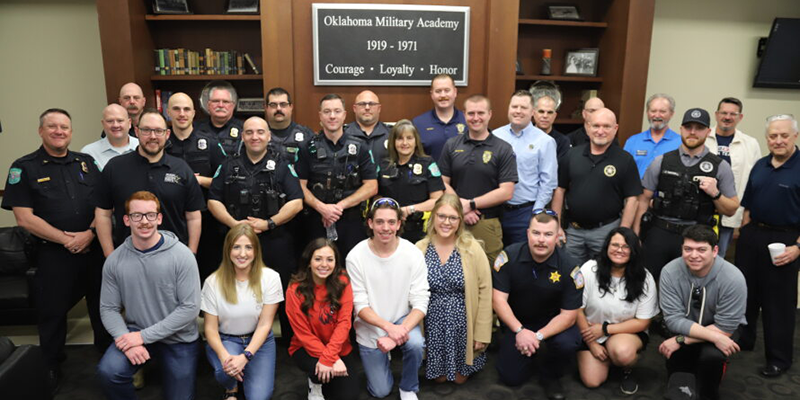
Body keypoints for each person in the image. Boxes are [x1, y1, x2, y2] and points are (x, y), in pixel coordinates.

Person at [2, 108, 111, 393]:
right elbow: (24, 217)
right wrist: (66, 240)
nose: (59, 131)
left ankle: (108, 359)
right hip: (54, 254)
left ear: (71, 132)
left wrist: (88, 234)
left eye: (64, 127)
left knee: (102, 309)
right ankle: (50, 365)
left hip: (92, 247)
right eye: (52, 127)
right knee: (52, 314)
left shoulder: (86, 163)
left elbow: (103, 204)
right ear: (41, 131)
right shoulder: (24, 167)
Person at [96, 191, 201, 399]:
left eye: (150, 215)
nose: (144, 221)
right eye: (136, 215)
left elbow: (190, 308)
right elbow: (108, 308)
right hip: (137, 330)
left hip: (178, 337)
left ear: (159, 218)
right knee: (109, 372)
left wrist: (142, 337)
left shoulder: (182, 256)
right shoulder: (115, 261)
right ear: (126, 220)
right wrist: (124, 339)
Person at [208, 116, 304, 342]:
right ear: (242, 136)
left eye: (260, 132)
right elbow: (213, 199)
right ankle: (234, 338)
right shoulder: (228, 165)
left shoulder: (282, 166)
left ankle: (289, 346)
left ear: (268, 136)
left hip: (273, 239)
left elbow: (297, 202)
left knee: (281, 291)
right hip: (236, 241)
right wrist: (235, 225)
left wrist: (269, 222)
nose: (255, 137)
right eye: (249, 132)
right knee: (236, 290)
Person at [634, 108, 739, 284]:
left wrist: (715, 194)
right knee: (648, 284)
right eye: (688, 127)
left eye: (699, 128)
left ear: (708, 131)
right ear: (681, 129)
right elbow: (643, 199)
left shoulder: (720, 166)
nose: (692, 132)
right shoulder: (661, 161)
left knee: (691, 288)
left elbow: (731, 209)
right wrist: (636, 234)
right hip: (659, 233)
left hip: (696, 238)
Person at [493, 209, 583, 400]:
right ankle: (529, 353)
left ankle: (550, 374)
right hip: (518, 323)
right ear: (528, 233)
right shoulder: (509, 257)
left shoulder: (570, 267)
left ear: (558, 236)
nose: (541, 240)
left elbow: (569, 316)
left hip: (554, 325)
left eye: (548, 234)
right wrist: (520, 331)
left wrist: (537, 336)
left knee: (567, 343)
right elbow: (498, 300)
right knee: (511, 377)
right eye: (536, 233)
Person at [735, 114, 799, 377]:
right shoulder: (760, 165)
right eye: (773, 136)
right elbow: (748, 204)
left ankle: (778, 359)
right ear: (767, 138)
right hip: (753, 236)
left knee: (778, 303)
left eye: (784, 135)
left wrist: (797, 247)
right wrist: (745, 232)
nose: (778, 140)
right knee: (745, 293)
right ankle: (745, 339)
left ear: (794, 136)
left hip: (787, 240)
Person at [346, 198, 429, 400]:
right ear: (370, 223)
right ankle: (383, 360)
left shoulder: (412, 253)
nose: (386, 228)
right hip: (370, 325)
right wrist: (388, 329)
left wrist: (394, 334)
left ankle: (408, 387)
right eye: (380, 222)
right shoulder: (355, 256)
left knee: (417, 344)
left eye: (391, 222)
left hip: (401, 320)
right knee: (380, 391)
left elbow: (420, 301)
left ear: (399, 224)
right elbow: (360, 306)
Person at [94, 109, 205, 256]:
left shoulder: (182, 169)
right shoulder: (115, 167)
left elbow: (194, 216)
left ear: (167, 134)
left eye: (158, 131)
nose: (153, 136)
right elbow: (103, 214)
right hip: (128, 257)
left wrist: (191, 254)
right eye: (146, 130)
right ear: (137, 131)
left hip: (174, 258)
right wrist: (110, 256)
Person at [658, 225, 746, 400]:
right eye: (688, 249)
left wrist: (681, 340)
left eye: (701, 250)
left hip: (722, 330)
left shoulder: (733, 278)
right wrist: (682, 338)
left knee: (710, 358)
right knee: (678, 367)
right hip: (687, 327)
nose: (694, 255)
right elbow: (673, 320)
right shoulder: (669, 271)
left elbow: (726, 327)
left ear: (714, 251)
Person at [415, 194, 492, 383]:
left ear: (460, 220)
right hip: (432, 324)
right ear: (433, 217)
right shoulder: (420, 249)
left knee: (459, 380)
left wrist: (481, 333)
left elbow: (485, 290)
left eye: (453, 218)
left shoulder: (472, 248)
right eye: (441, 216)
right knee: (438, 380)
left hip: (464, 323)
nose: (446, 222)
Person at [202, 223, 282, 400]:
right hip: (226, 339)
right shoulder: (212, 282)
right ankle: (231, 389)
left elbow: (265, 324)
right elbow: (210, 329)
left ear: (256, 251)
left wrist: (245, 357)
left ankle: (240, 377)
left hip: (259, 341)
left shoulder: (271, 278)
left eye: (248, 247)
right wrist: (225, 358)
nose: (242, 253)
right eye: (236, 247)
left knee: (260, 397)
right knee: (226, 372)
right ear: (228, 250)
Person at [552, 108, 641, 264]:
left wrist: (621, 234)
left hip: (606, 232)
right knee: (571, 276)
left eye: (606, 126)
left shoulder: (625, 159)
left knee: (603, 277)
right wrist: (556, 226)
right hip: (573, 232)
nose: (601, 131)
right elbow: (559, 190)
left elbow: (632, 199)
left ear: (615, 129)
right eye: (596, 126)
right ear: (588, 128)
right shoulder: (572, 155)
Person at [576, 227, 658, 395]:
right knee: (592, 381)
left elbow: (643, 322)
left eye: (626, 246)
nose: (619, 250)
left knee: (622, 353)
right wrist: (592, 344)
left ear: (634, 251)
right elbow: (577, 309)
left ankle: (626, 367)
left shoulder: (645, 277)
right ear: (606, 247)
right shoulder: (589, 269)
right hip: (590, 331)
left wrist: (605, 329)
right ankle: (606, 359)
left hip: (626, 333)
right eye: (615, 245)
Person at [439, 94, 518, 266]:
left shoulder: (502, 148)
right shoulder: (452, 145)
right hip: (453, 221)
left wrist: (472, 204)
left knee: (488, 274)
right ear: (464, 115)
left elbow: (507, 191)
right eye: (471, 113)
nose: (476, 118)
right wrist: (462, 208)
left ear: (490, 114)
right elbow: (442, 183)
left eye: (481, 113)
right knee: (453, 271)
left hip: (487, 223)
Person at [296, 94, 378, 257]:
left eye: (336, 111)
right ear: (320, 115)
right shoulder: (308, 148)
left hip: (350, 221)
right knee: (317, 268)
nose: (332, 116)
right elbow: (299, 185)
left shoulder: (360, 147)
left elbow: (372, 186)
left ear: (344, 115)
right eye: (327, 112)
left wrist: (339, 207)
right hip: (316, 220)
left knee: (352, 268)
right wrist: (322, 208)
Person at [287, 239, 360, 400]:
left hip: (338, 347)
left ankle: (324, 377)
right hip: (305, 349)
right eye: (318, 259)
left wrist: (330, 357)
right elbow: (303, 334)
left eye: (329, 259)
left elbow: (344, 323)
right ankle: (315, 384)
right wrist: (331, 359)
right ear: (309, 262)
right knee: (319, 371)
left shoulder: (343, 281)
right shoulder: (295, 290)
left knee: (350, 396)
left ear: (336, 262)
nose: (324, 264)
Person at [165, 92, 227, 281]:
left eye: (186, 109)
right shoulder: (162, 145)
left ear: (193, 113)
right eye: (176, 109)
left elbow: (226, 180)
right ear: (168, 113)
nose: (181, 114)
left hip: (207, 220)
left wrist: (199, 181)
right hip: (171, 219)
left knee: (208, 270)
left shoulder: (210, 144)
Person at [494, 90, 558, 245]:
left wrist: (535, 213)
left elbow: (548, 182)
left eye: (523, 107)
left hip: (525, 212)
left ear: (533, 112)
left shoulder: (545, 141)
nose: (518, 111)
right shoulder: (495, 136)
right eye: (514, 106)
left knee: (521, 260)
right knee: (495, 260)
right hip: (495, 210)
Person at [705, 97, 761, 258]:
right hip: (702, 212)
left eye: (733, 114)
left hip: (732, 211)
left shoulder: (750, 144)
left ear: (740, 117)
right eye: (724, 113)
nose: (727, 117)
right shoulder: (704, 138)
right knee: (698, 255)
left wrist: (746, 215)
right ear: (716, 114)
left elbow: (754, 183)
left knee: (720, 256)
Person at [378, 120, 445, 243]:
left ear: (416, 141)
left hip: (420, 232)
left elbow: (438, 200)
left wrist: (409, 209)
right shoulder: (384, 165)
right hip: (389, 231)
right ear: (393, 141)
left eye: (409, 138)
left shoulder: (428, 164)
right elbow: (377, 197)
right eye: (400, 139)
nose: (405, 143)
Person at [623, 93, 681, 178]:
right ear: (647, 112)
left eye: (662, 111)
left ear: (671, 114)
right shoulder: (632, 141)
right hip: (636, 191)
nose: (657, 115)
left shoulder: (680, 143)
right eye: (653, 111)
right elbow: (623, 172)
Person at [412, 74, 467, 160]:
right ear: (432, 94)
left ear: (455, 92)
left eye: (447, 90)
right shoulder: (418, 123)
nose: (443, 95)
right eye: (438, 91)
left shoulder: (468, 120)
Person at [264, 87, 315, 164]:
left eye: (283, 104)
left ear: (291, 107)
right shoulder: (257, 136)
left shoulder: (306, 135)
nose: (278, 109)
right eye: (273, 105)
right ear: (266, 108)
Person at [82, 104, 139, 170]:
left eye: (120, 120)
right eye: (110, 121)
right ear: (103, 124)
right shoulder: (89, 153)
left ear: (129, 123)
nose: (115, 125)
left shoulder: (141, 147)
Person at [195, 80, 244, 156]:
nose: (220, 105)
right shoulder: (195, 128)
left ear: (233, 105)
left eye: (225, 101)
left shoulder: (244, 129)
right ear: (208, 105)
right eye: (216, 101)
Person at [345, 90, 391, 164]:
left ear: (379, 108)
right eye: (362, 104)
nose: (367, 107)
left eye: (372, 104)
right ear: (354, 108)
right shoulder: (343, 135)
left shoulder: (391, 135)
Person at [532, 93, 571, 161]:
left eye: (549, 112)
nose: (545, 116)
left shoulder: (563, 141)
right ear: (534, 113)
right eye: (541, 111)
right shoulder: (524, 137)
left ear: (555, 116)